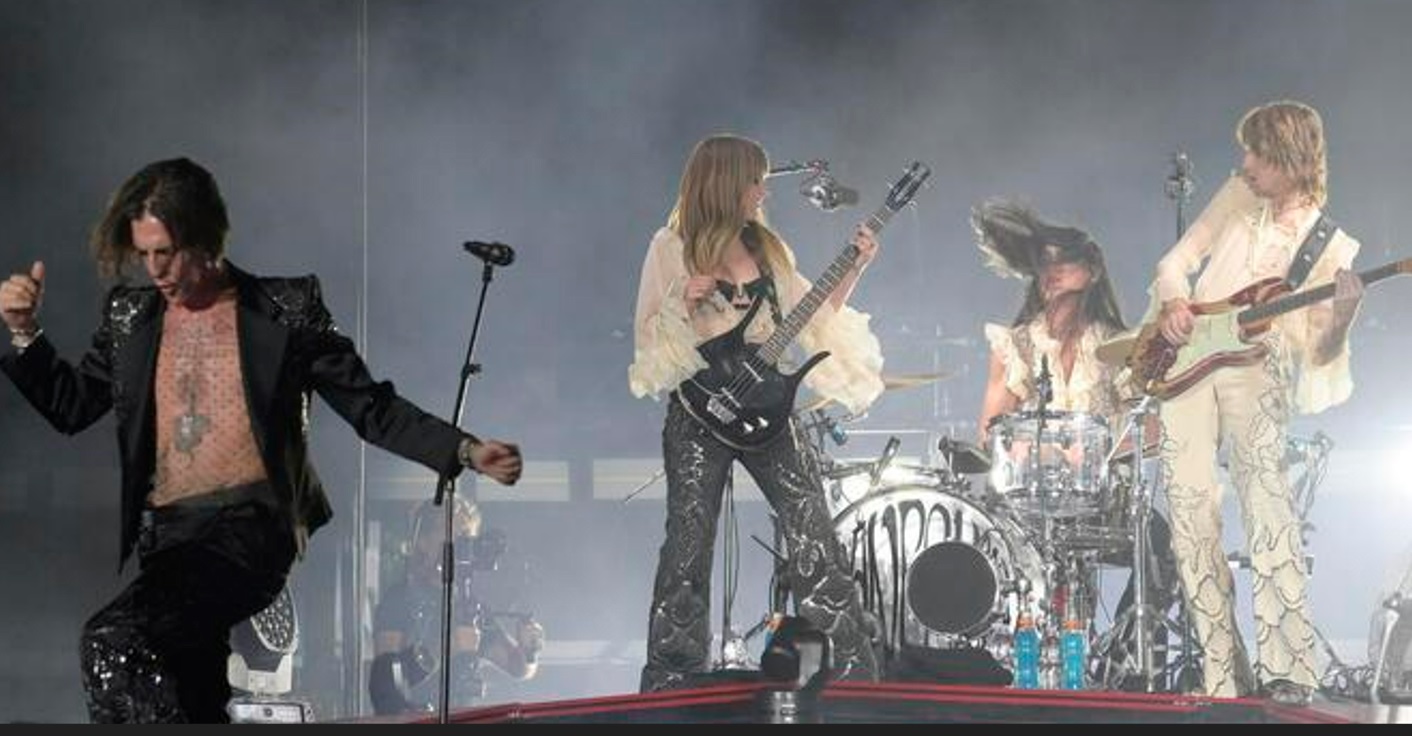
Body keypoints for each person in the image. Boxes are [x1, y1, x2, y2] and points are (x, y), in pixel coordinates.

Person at [0, 157, 523, 723]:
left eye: (166, 252)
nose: (154, 269)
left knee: (112, 639)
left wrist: (464, 449)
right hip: (169, 541)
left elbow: (370, 407)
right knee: (189, 689)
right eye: (143, 254)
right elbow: (72, 406)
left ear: (205, 238)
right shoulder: (131, 317)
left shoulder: (285, 310)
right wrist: (26, 333)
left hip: (248, 531)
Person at [628, 134, 884, 692]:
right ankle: (671, 678)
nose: (762, 192)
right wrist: (682, 303)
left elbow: (813, 311)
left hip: (767, 404)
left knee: (813, 527)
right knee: (688, 539)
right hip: (700, 407)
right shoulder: (670, 246)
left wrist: (856, 266)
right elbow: (646, 340)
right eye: (754, 181)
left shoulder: (767, 249)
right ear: (726, 183)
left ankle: (850, 675)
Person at [1150, 100, 1364, 704]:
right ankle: (1223, 674)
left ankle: (1289, 669)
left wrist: (1343, 316)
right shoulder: (1237, 195)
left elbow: (1319, 353)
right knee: (1190, 518)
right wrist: (1174, 302)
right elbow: (1175, 262)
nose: (1245, 163)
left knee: (1269, 509)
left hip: (1258, 369)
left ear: (1290, 159)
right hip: (1190, 358)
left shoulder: (1331, 245)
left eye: (1258, 154)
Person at [973, 200, 1179, 687]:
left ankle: (1121, 660)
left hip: (1100, 498)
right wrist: (1033, 448)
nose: (1052, 271)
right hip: (1029, 503)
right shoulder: (1015, 345)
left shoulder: (1117, 346)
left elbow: (1153, 426)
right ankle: (1022, 661)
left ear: (1091, 271)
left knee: (1163, 547)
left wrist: (1105, 449)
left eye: (1063, 261)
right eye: (1044, 262)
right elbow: (989, 430)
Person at [370, 497, 544, 715]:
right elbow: (385, 684)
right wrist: (448, 646)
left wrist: (530, 649)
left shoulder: (469, 605)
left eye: (467, 537)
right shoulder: (400, 598)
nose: (461, 544)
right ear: (423, 540)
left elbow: (517, 667)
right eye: (453, 535)